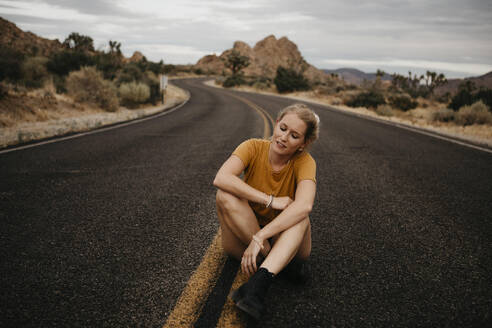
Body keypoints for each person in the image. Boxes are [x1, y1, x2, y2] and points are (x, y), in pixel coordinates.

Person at [213, 103, 320, 320]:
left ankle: (257, 288)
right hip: (245, 234)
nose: (283, 137)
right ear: (277, 122)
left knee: (300, 215)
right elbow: (221, 177)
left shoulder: (304, 161)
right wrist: (270, 200)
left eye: (294, 135)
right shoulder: (252, 147)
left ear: (303, 143)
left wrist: (261, 236)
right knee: (223, 194)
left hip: (279, 237)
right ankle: (279, 263)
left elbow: (305, 205)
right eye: (283, 128)